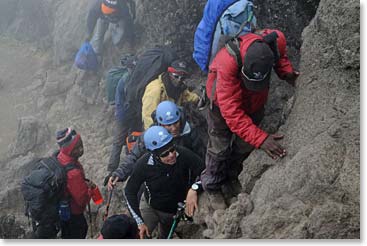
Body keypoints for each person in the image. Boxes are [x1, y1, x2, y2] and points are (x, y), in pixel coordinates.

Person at [200, 29, 300, 209]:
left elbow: (280, 55)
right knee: (219, 146)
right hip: (221, 105)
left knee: (243, 145)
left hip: (254, 102)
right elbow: (232, 114)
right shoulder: (226, 62)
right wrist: (261, 138)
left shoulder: (274, 41)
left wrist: (287, 73)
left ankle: (232, 177)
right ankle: (213, 186)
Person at [124, 126, 204, 239]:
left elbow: (206, 172)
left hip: (172, 213)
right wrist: (139, 222)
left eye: (172, 149)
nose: (171, 155)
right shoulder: (143, 165)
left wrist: (194, 188)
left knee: (165, 237)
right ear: (154, 155)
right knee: (140, 237)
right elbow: (129, 191)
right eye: (165, 154)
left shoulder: (183, 154)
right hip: (149, 208)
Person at [106, 100, 205, 188]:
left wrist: (196, 185)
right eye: (169, 125)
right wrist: (119, 173)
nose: (174, 128)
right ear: (161, 123)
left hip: (186, 173)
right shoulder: (151, 135)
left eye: (176, 123)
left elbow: (201, 157)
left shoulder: (190, 130)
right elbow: (134, 156)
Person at [56, 127, 96, 239]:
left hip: (63, 211)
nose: (81, 150)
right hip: (74, 214)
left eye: (80, 145)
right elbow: (82, 200)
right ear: (69, 149)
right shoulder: (73, 173)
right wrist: (90, 189)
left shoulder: (60, 157)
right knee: (80, 230)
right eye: (76, 147)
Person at [141, 59, 199, 130]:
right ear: (169, 73)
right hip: (159, 127)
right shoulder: (155, 89)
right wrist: (157, 134)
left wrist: (199, 99)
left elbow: (188, 96)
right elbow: (148, 116)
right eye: (176, 76)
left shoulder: (180, 88)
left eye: (182, 78)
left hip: (173, 123)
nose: (179, 80)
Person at [106, 54, 137, 176]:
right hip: (125, 115)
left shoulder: (127, 78)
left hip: (124, 113)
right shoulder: (126, 80)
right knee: (120, 140)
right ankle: (113, 168)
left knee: (123, 140)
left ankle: (123, 165)